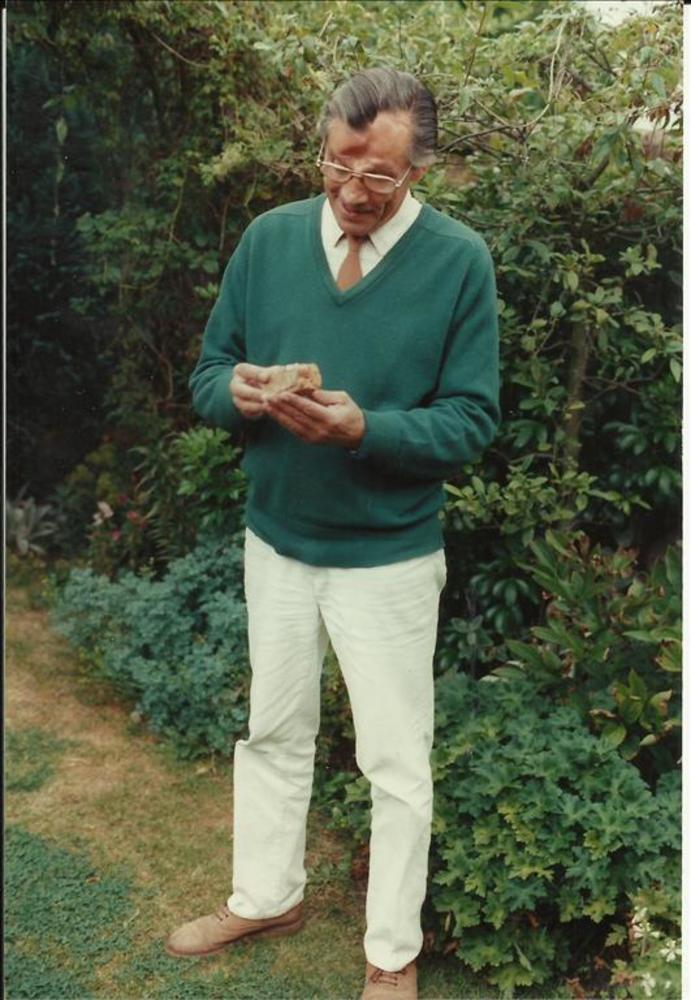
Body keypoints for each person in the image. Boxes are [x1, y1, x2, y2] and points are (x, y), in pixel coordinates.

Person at [166, 67, 500, 1000]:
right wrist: (234, 396)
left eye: (379, 175)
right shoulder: (270, 239)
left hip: (387, 558)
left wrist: (366, 430)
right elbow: (209, 371)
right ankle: (265, 897)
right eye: (337, 165)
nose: (353, 191)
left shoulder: (458, 260)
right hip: (275, 541)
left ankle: (391, 955)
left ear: (419, 169)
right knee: (271, 732)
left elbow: (471, 420)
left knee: (394, 763)